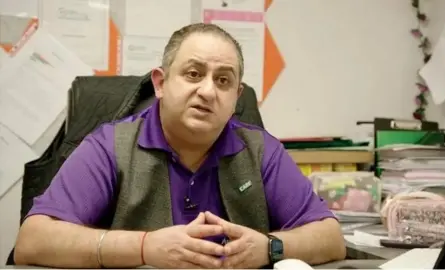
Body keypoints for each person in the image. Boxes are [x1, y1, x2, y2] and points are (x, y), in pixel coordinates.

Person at [14, 23, 346, 269]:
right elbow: (34, 240)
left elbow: (330, 237)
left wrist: (271, 248)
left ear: (236, 96)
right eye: (192, 73)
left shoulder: (261, 151)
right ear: (160, 83)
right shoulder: (109, 147)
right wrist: (144, 247)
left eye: (223, 80)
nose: (207, 91)